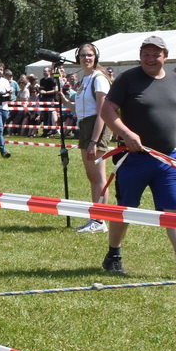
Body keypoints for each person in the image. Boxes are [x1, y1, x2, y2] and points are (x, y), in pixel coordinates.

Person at [98, 34, 176, 279]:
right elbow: (107, 110)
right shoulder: (127, 79)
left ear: (165, 56)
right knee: (125, 208)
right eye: (146, 54)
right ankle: (114, 254)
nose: (150, 59)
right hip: (134, 159)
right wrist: (126, 133)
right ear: (140, 55)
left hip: (168, 160)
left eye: (156, 54)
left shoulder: (175, 81)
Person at [72, 43, 112, 233]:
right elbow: (80, 110)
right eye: (82, 55)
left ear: (95, 57)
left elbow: (102, 113)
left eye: (89, 55)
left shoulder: (98, 79)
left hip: (96, 127)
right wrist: (63, 100)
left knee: (98, 177)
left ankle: (100, 219)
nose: (86, 58)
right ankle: (96, 217)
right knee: (92, 176)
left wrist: (94, 142)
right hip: (85, 125)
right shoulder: (85, 79)